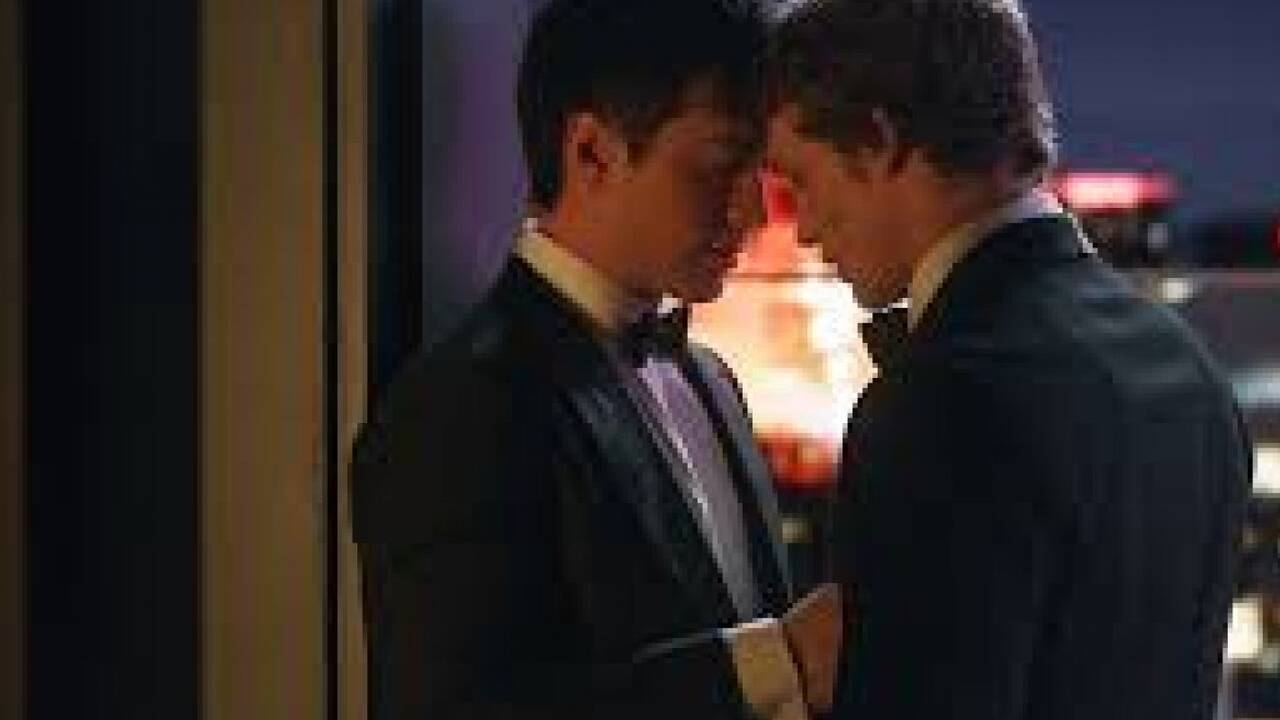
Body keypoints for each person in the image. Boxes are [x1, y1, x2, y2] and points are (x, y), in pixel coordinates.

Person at [763, 0, 1252, 718]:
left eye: (801, 181)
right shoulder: (1186, 366)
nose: (804, 228)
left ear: (877, 141)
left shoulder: (940, 403)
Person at [351, 1, 837, 718]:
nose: (755, 214)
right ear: (591, 153)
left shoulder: (712, 381)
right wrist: (777, 663)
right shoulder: (460, 407)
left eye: (758, 171)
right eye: (718, 166)